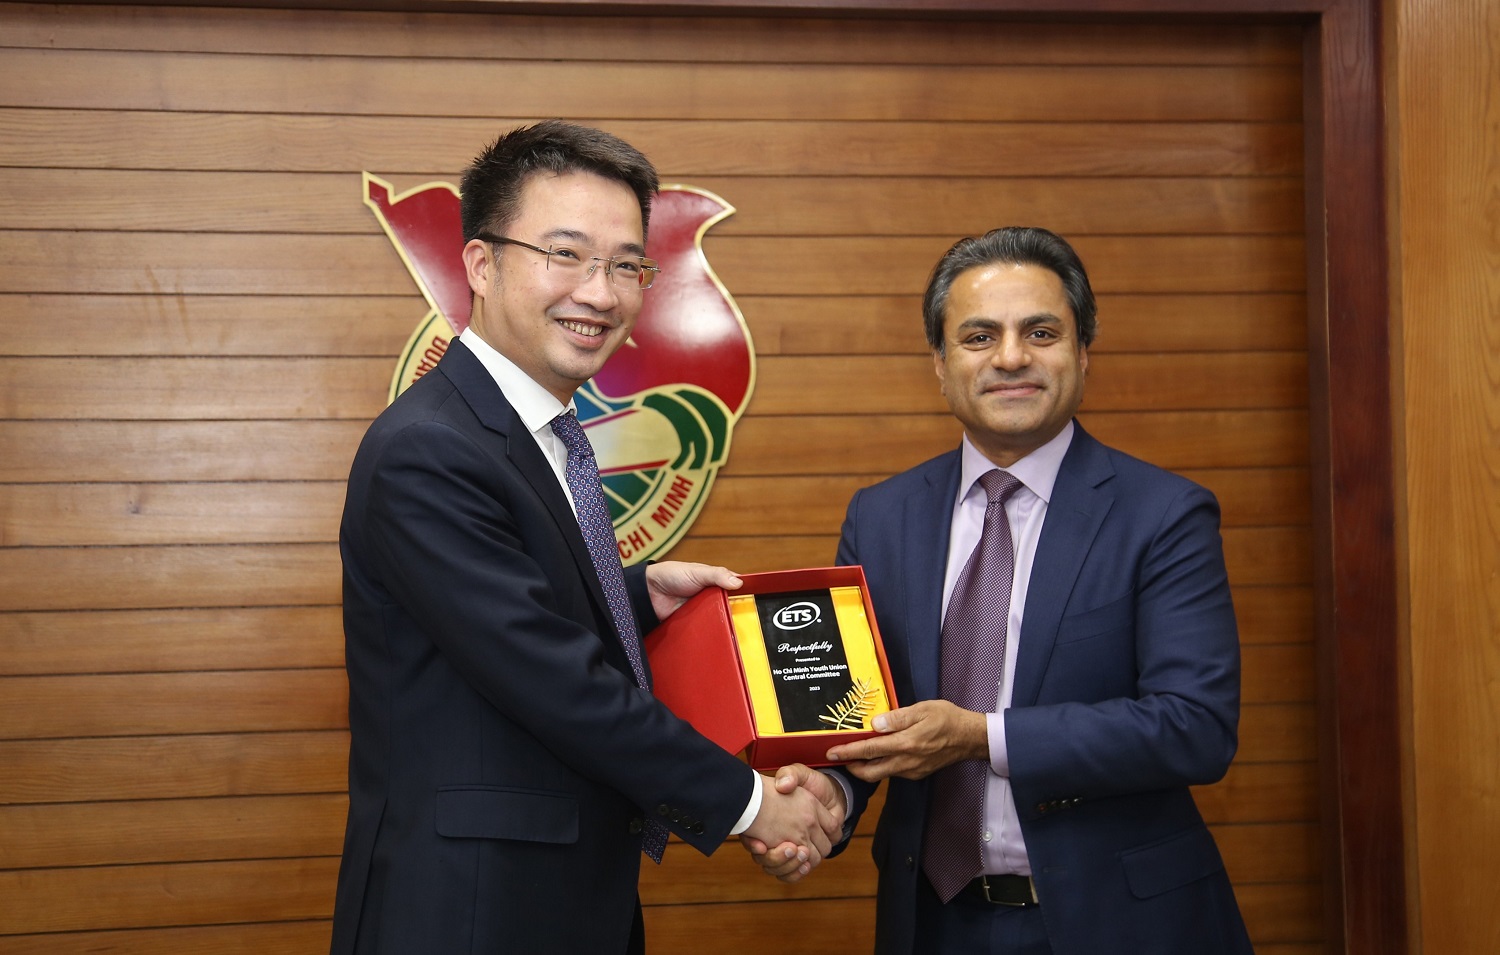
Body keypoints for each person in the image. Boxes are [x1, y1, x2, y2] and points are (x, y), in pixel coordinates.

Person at [331, 120, 839, 955]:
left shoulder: (538, 432)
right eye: (565, 255)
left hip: (558, 904)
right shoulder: (429, 448)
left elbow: (508, 609)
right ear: (481, 265)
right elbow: (551, 677)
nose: (601, 293)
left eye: (626, 265)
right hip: (469, 913)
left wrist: (635, 594)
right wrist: (752, 803)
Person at [747, 227, 1253, 953]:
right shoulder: (881, 516)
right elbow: (868, 712)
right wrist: (834, 795)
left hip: (1117, 922)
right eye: (979, 336)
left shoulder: (1164, 514)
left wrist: (981, 736)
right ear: (940, 363)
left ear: (1083, 352)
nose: (1011, 357)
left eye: (1040, 333)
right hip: (934, 923)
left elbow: (1195, 727)